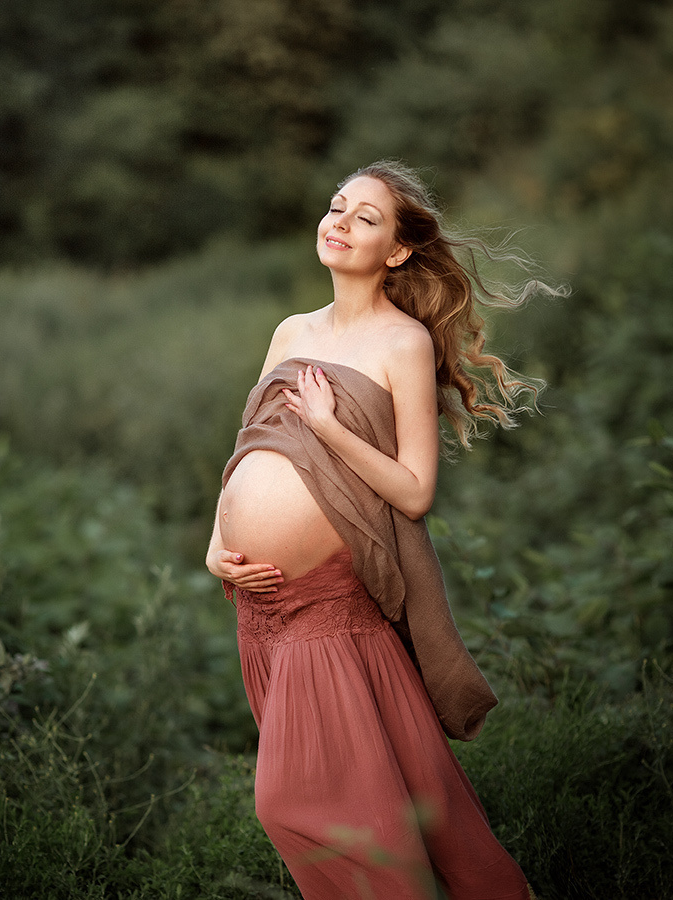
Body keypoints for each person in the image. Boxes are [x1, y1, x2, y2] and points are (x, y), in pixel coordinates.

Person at [207, 160, 553, 900]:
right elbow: (249, 444)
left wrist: (330, 428)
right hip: (262, 610)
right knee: (383, 804)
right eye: (337, 207)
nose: (339, 222)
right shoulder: (291, 330)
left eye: (365, 217)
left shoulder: (403, 344)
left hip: (330, 608)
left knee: (290, 804)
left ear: (397, 250)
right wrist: (216, 543)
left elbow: (415, 491)